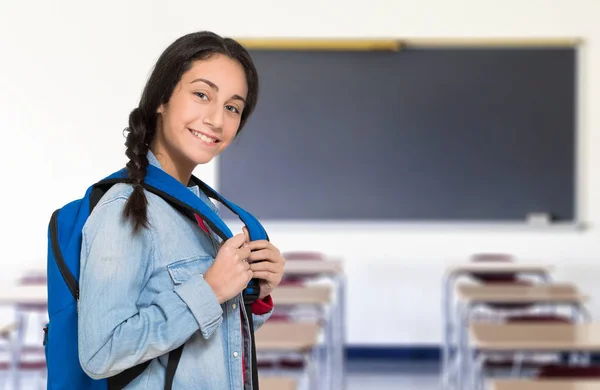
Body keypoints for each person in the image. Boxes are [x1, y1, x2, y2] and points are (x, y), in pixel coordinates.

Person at [77, 31, 285, 389]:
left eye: (232, 107)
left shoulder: (198, 210)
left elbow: (204, 348)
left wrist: (254, 294)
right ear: (162, 98)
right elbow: (101, 353)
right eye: (202, 95)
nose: (217, 120)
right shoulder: (124, 210)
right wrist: (210, 290)